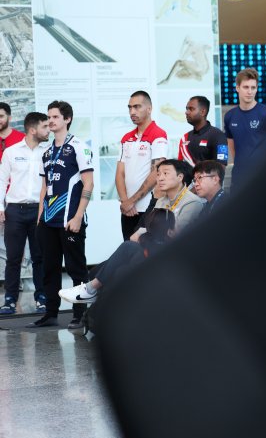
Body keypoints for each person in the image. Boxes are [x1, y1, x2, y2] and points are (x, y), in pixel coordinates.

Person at [27, 101, 94, 329]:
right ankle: (51, 313)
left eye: (55, 117)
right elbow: (44, 188)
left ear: (67, 119)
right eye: (49, 117)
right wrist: (39, 219)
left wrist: (78, 217)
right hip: (48, 221)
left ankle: (80, 314)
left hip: (70, 219)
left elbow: (88, 183)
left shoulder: (78, 146)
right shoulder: (46, 152)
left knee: (76, 269)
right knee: (49, 268)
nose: (50, 121)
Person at [59, 209, 176, 305]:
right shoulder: (159, 205)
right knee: (104, 271)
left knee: (127, 249)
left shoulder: (173, 226)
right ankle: (92, 292)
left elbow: (134, 238)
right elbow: (134, 236)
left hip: (160, 266)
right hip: (148, 262)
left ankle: (91, 289)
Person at [0, 112, 49, 314]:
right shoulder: (11, 152)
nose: (49, 130)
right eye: (45, 126)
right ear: (32, 129)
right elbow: (2, 181)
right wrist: (0, 207)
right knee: (13, 258)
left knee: (39, 257)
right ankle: (10, 300)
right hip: (14, 211)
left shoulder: (48, 151)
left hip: (39, 210)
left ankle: (42, 298)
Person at [116, 91, 168, 240]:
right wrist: (125, 202)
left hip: (148, 209)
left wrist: (131, 201)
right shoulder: (126, 138)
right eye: (130, 107)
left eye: (137, 107)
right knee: (128, 250)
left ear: (149, 109)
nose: (132, 112)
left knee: (147, 251)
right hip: (127, 210)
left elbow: (156, 172)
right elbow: (119, 173)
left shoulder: (158, 135)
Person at [224, 68, 266, 188]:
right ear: (237, 88)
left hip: (263, 179)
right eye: (246, 87)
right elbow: (233, 149)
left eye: (253, 87)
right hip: (239, 179)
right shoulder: (230, 116)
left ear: (256, 89)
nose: (250, 91)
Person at [132, 159, 203, 239]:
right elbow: (150, 225)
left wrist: (143, 232)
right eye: (158, 174)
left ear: (180, 177)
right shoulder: (160, 201)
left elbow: (177, 233)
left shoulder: (192, 202)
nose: (160, 178)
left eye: (165, 173)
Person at [178, 96, 228, 166]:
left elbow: (221, 167)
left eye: (191, 109)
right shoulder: (185, 138)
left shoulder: (218, 135)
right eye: (187, 109)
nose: (187, 112)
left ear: (203, 112)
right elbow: (179, 168)